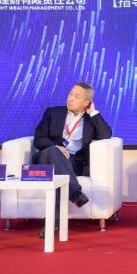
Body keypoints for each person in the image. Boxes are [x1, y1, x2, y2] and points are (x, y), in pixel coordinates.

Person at [33, 81, 112, 237]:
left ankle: (53, 222)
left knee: (59, 175)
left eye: (77, 96)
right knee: (54, 153)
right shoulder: (53, 113)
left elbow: (106, 135)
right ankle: (75, 193)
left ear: (86, 102)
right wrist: (56, 147)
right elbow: (39, 139)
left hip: (71, 163)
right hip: (47, 158)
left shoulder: (90, 120)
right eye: (70, 94)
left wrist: (93, 113)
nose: (70, 98)